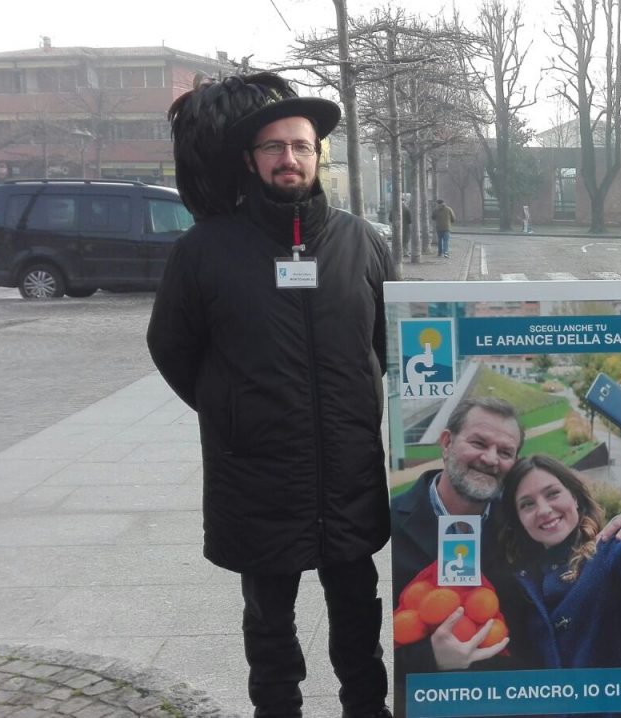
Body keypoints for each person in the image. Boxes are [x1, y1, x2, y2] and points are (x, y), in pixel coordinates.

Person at [147, 72, 396, 718]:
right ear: (252, 160)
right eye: (274, 147)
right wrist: (232, 408)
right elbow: (172, 348)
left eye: (302, 145)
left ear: (319, 156)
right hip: (257, 477)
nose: (289, 158)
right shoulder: (205, 252)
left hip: (348, 473)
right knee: (269, 631)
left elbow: (388, 344)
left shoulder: (362, 245)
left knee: (358, 626)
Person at [389, 397, 621, 716]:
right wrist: (431, 657)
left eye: (505, 452)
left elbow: (579, 544)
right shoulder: (387, 523)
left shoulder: (524, 523)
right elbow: (363, 641)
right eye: (478, 442)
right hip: (426, 705)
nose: (490, 458)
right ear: (447, 442)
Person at [497, 408, 621, 718]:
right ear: (518, 520)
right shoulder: (522, 582)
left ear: (575, 498)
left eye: (552, 493)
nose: (544, 510)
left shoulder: (609, 550)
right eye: (527, 504)